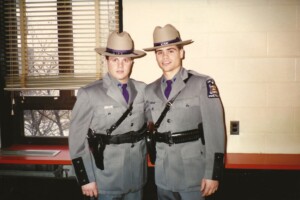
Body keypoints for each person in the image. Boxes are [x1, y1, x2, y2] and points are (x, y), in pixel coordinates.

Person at [143, 24, 226, 200]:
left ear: (181, 52)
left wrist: (213, 174)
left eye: (171, 50)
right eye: (159, 52)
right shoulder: (149, 90)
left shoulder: (201, 84)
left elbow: (215, 131)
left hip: (194, 174)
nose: (165, 57)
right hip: (163, 174)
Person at [69, 31, 147, 200]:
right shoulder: (89, 93)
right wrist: (86, 179)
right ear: (106, 61)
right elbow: (77, 140)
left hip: (136, 176)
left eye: (125, 60)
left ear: (132, 61)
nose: (120, 65)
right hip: (105, 179)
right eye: (114, 60)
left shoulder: (143, 90)